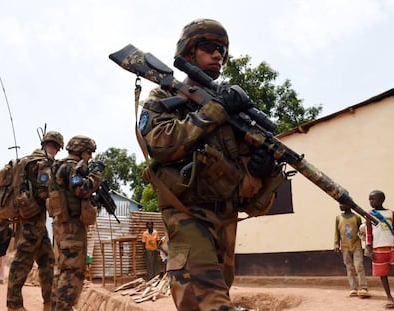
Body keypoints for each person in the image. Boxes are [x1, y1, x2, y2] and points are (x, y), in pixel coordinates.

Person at [138, 18, 286, 310]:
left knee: (204, 302)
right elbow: (160, 144)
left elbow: (251, 197)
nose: (219, 54)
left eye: (222, 50)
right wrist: (216, 110)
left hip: (226, 223)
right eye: (209, 48)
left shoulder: (235, 116)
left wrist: (261, 171)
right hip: (187, 217)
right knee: (213, 304)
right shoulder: (165, 95)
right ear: (188, 53)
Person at [6, 131, 64, 311]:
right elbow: (43, 191)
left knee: (47, 260)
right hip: (33, 220)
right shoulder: (43, 163)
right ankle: (14, 305)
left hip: (32, 219)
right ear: (56, 146)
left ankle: (49, 302)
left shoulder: (25, 161)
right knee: (22, 260)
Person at [48, 135, 104, 311]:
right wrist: (97, 173)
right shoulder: (70, 167)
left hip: (62, 226)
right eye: (89, 153)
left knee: (63, 272)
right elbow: (83, 189)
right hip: (71, 227)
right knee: (73, 273)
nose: (90, 157)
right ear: (81, 151)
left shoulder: (59, 166)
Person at [365, 190, 394, 309]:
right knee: (383, 274)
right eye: (369, 199)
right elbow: (368, 232)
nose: (371, 201)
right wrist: (369, 247)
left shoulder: (390, 213)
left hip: (393, 247)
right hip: (378, 248)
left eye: (373, 199)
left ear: (381, 199)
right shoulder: (369, 214)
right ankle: (389, 298)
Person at [334, 203, 369, 298]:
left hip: (356, 245)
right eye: (339, 204)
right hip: (345, 247)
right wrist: (336, 243)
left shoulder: (356, 217)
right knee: (349, 267)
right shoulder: (338, 218)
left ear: (349, 204)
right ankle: (353, 288)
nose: (340, 206)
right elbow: (336, 232)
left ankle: (363, 287)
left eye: (342, 204)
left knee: (359, 266)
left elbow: (361, 231)